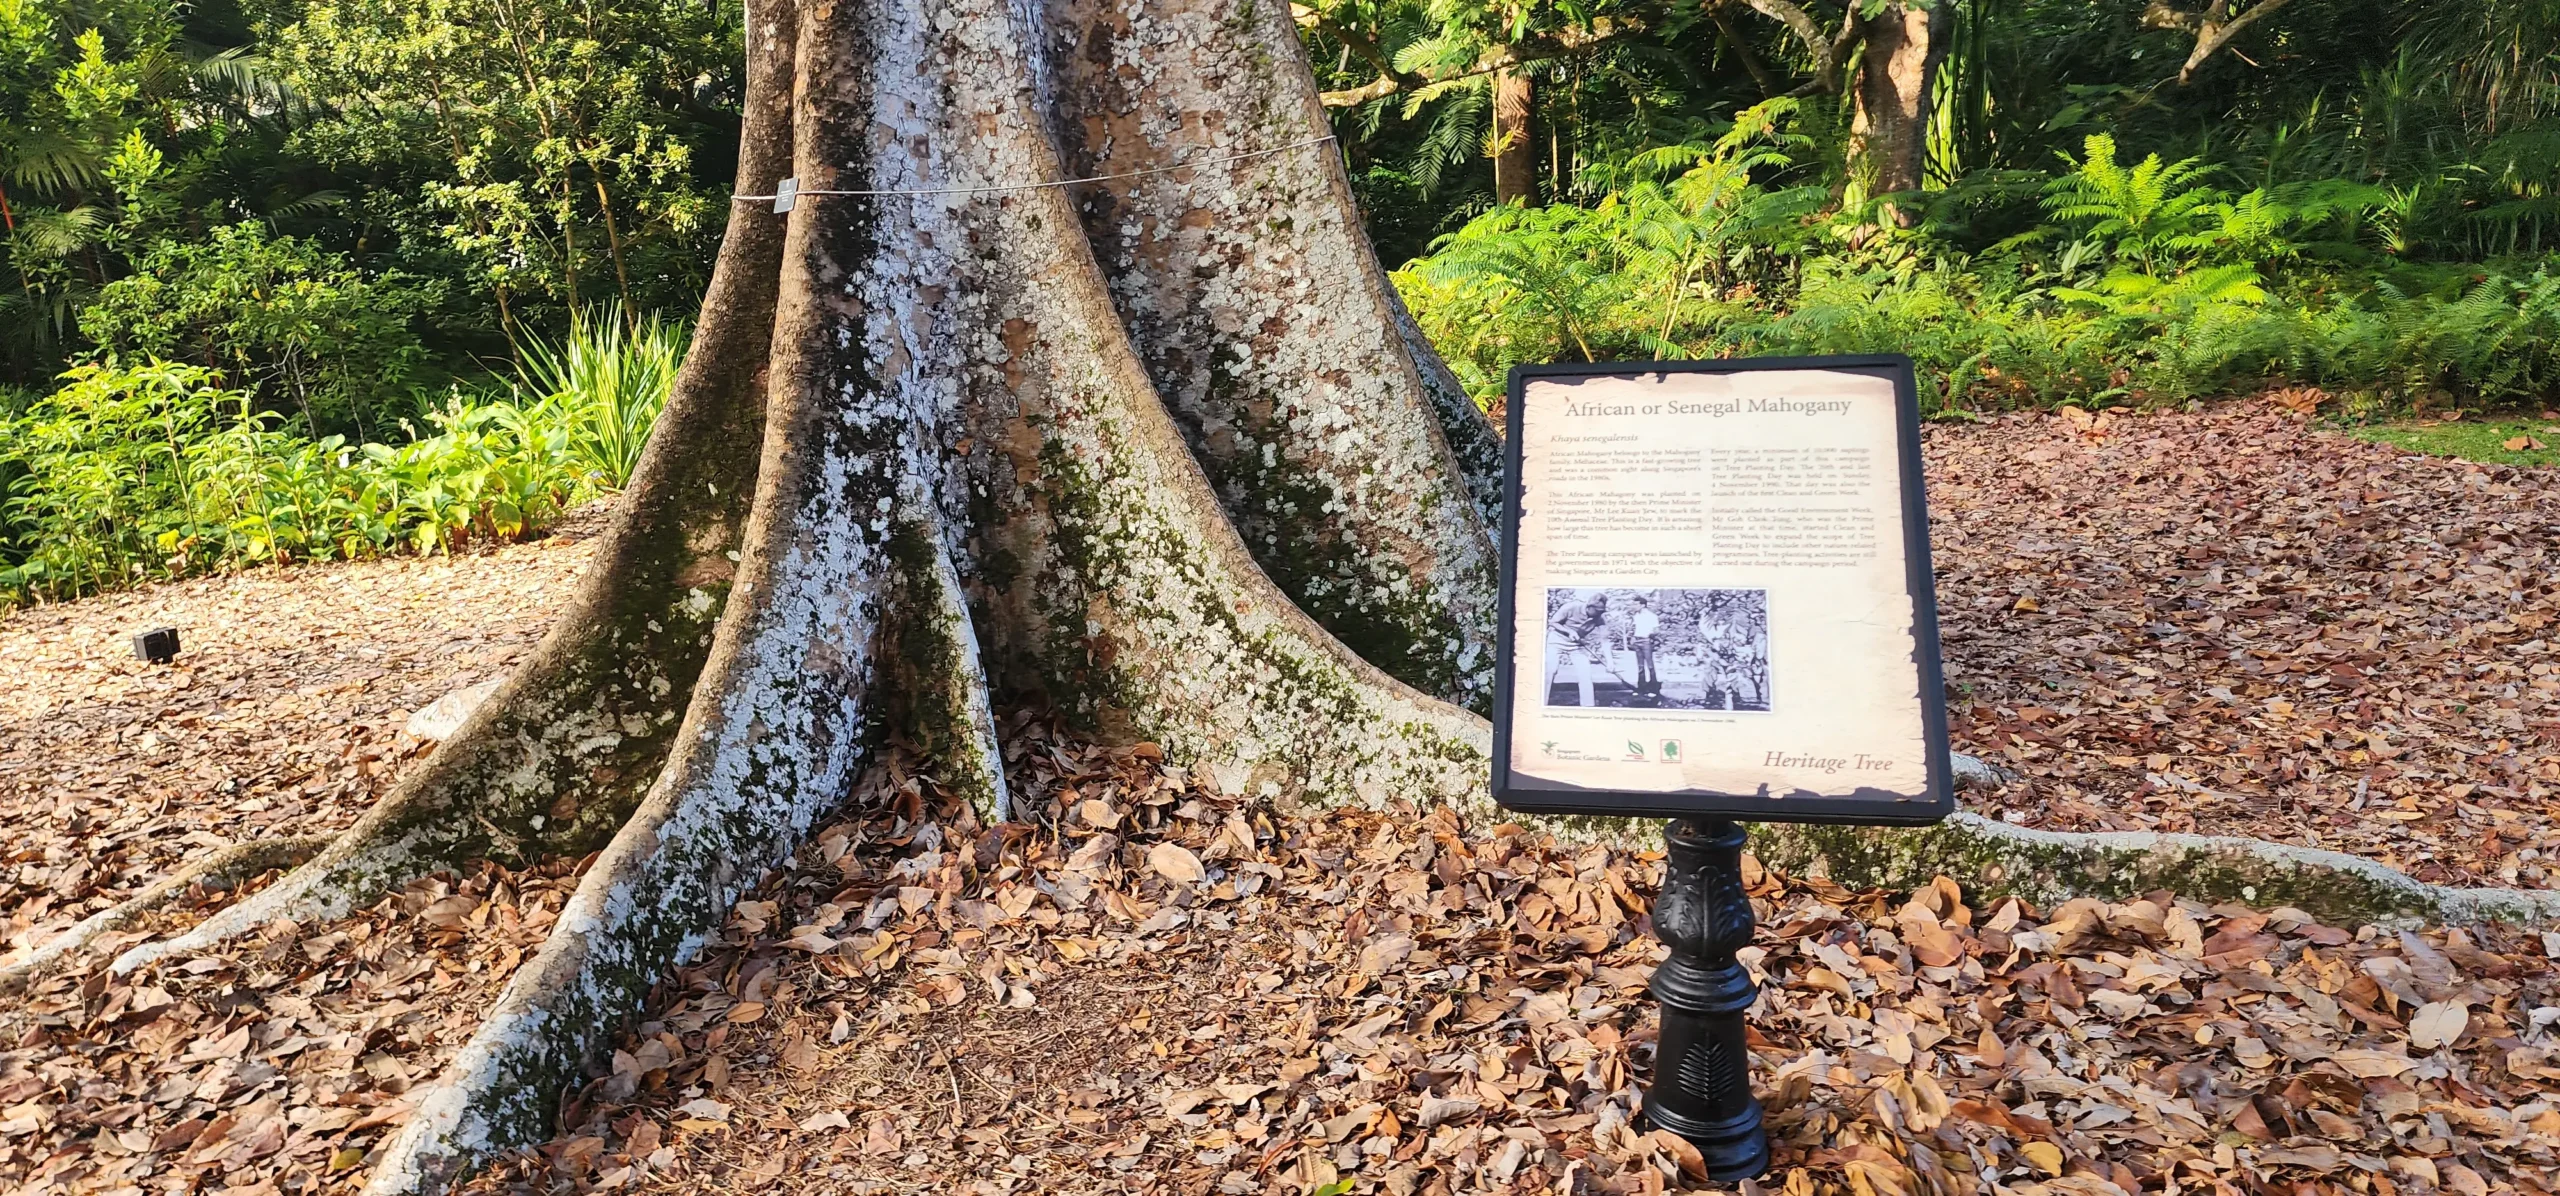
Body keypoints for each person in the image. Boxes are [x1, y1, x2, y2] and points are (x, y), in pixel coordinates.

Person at [1545, 593, 1608, 706]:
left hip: (1576, 646)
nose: (1599, 613)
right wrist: (1569, 631)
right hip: (1556, 641)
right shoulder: (1571, 607)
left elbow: (1605, 640)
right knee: (1550, 670)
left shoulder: (1599, 617)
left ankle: (1588, 706)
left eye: (1601, 611)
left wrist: (1610, 662)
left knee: (1585, 674)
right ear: (1589, 606)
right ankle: (1542, 702)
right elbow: (1553, 622)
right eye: (1597, 610)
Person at [1630, 596, 1659, 694]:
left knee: (1650, 666)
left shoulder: (1652, 616)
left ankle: (1653, 689)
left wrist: (1650, 636)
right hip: (1637, 641)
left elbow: (1656, 630)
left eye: (1635, 604)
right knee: (1640, 666)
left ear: (1642, 605)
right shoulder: (1636, 616)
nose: (1633, 606)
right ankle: (1641, 689)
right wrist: (1633, 637)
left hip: (1646, 641)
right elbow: (1635, 628)